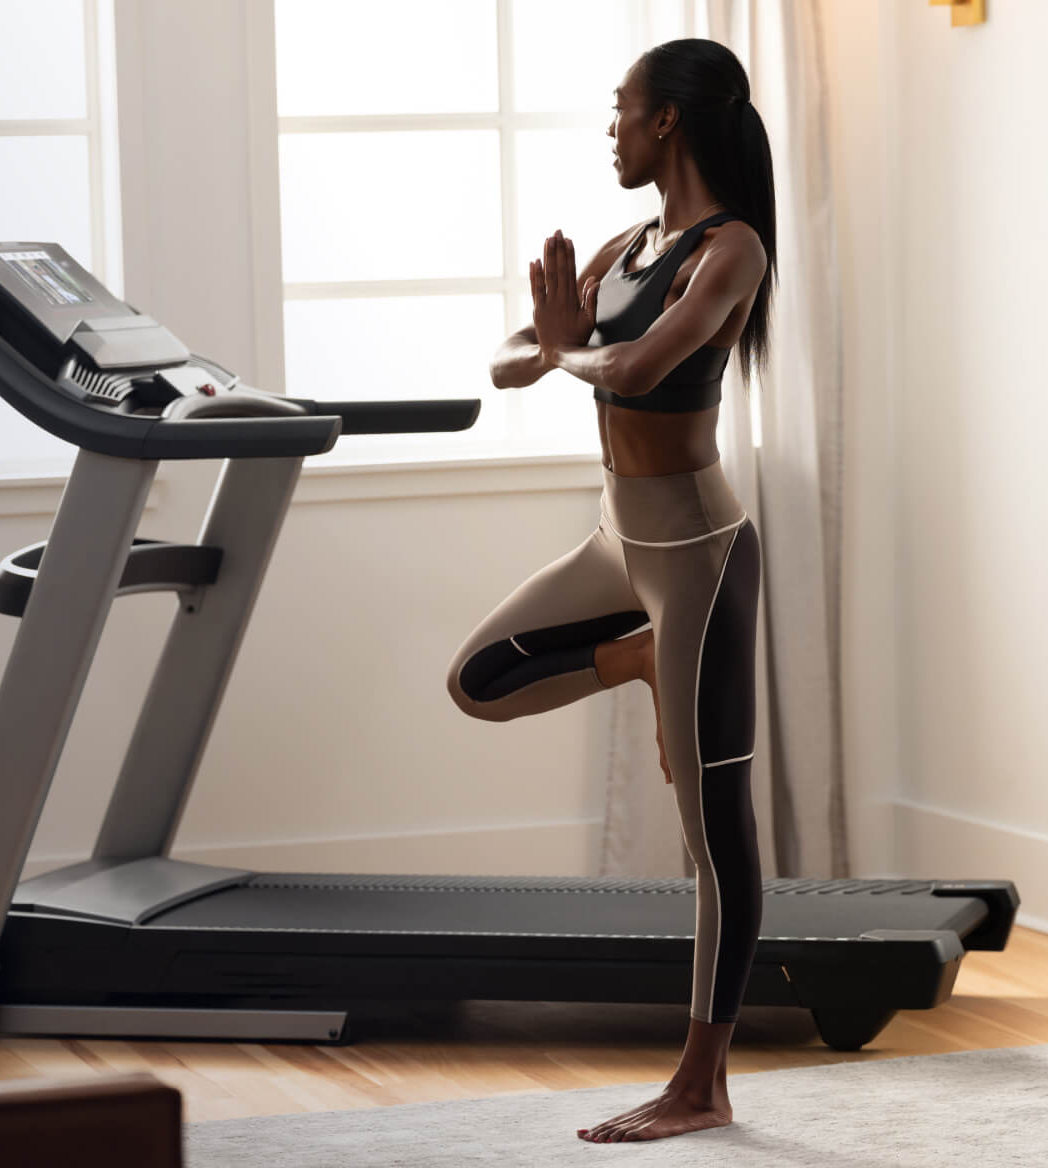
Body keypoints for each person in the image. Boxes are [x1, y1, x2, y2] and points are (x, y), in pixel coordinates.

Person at [445, 37, 778, 1143]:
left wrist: (564, 351)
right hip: (616, 541)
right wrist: (553, 346)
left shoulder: (729, 253)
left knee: (709, 827)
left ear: (668, 121)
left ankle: (702, 1079)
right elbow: (505, 363)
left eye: (621, 110)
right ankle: (631, 658)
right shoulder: (627, 245)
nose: (612, 130)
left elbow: (632, 371)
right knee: (479, 681)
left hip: (697, 553)